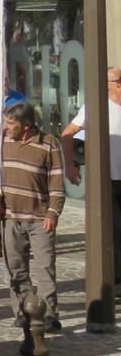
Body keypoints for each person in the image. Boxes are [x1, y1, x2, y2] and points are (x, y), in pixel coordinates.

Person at [0, 101, 65, 339]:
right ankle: (23, 310)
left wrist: (53, 212)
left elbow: (56, 180)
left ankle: (49, 314)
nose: (5, 127)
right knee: (15, 268)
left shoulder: (49, 143)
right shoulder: (1, 142)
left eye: (10, 123)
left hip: (40, 217)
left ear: (27, 126)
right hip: (10, 216)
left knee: (45, 267)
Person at [61, 65, 121, 283]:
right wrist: (69, 164)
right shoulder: (95, 106)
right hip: (107, 179)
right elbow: (67, 133)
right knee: (113, 231)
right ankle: (114, 279)